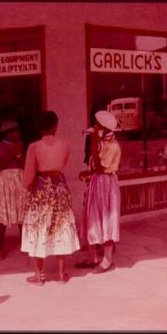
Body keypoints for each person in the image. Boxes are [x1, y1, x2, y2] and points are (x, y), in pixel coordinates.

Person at [21, 111, 80, 285]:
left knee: (39, 226)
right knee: (60, 225)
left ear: (40, 128)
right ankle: (61, 274)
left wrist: (27, 188)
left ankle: (38, 276)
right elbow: (63, 163)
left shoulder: (34, 147)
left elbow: (29, 173)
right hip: (59, 186)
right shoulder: (64, 145)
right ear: (55, 126)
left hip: (41, 188)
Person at [76, 110, 121, 273]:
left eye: (97, 125)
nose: (95, 128)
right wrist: (87, 173)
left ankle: (107, 260)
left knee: (105, 218)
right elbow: (95, 167)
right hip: (97, 182)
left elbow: (102, 167)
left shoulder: (113, 145)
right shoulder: (102, 142)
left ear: (105, 127)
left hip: (106, 185)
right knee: (92, 218)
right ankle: (92, 257)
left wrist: (94, 142)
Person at [0, 121, 26, 259]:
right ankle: (0, 248)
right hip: (4, 182)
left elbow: (24, 165)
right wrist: (13, 154)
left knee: (22, 213)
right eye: (16, 131)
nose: (18, 134)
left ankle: (24, 244)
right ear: (8, 133)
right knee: (3, 217)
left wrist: (19, 154)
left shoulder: (20, 145)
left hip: (20, 180)